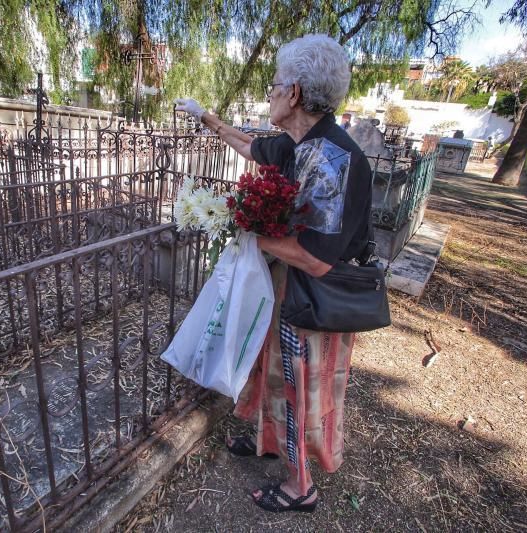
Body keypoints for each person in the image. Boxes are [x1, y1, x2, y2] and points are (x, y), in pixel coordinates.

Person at [175, 34, 372, 514]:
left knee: (298, 388)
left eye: (275, 85)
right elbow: (252, 146)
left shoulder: (331, 160)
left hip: (316, 298)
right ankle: (269, 443)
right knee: (271, 373)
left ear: (297, 94)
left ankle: (299, 486)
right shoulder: (300, 143)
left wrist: (242, 234)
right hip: (291, 288)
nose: (269, 93)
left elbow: (317, 256)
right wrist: (205, 117)